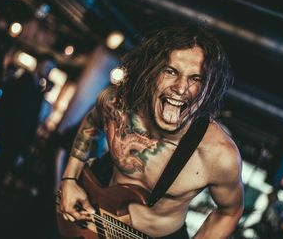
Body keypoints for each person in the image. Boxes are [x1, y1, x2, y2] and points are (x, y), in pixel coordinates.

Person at [59, 24, 244, 238]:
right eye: (170, 71)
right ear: (152, 72)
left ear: (208, 89)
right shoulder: (116, 105)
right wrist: (70, 179)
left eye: (196, 78)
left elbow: (230, 212)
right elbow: (93, 120)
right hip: (92, 223)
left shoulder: (219, 155)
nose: (181, 88)